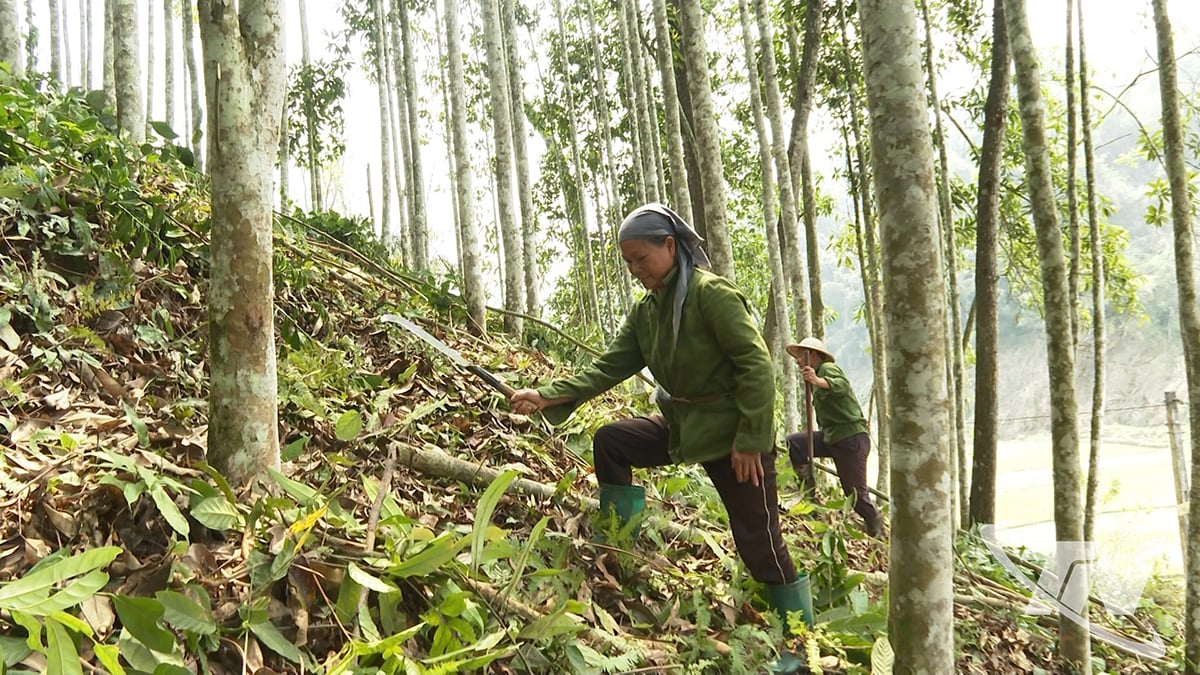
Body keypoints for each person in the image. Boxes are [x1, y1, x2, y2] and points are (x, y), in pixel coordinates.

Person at [509, 203, 812, 672]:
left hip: (733, 436)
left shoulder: (712, 296)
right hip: (681, 425)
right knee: (613, 441)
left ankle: (799, 643)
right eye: (627, 261)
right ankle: (618, 550)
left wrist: (751, 439)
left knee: (758, 537)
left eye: (641, 259)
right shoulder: (647, 311)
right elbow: (609, 366)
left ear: (669, 246)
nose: (635, 270)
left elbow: (757, 366)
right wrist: (548, 396)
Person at [785, 337, 883, 537]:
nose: (797, 362)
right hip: (832, 437)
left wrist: (818, 381)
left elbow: (841, 386)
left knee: (854, 494)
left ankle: (874, 523)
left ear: (811, 355)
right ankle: (808, 493)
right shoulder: (813, 377)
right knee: (796, 443)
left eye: (800, 357)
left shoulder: (827, 370)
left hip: (850, 438)